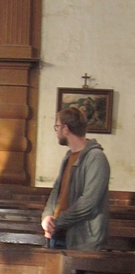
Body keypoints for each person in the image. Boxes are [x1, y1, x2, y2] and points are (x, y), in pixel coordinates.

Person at [41, 105, 110, 249]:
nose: (57, 131)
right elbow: (57, 192)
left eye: (57, 126)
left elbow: (88, 203)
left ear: (66, 129)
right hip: (59, 233)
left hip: (83, 238)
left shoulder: (96, 158)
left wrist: (57, 222)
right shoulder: (69, 156)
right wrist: (47, 216)